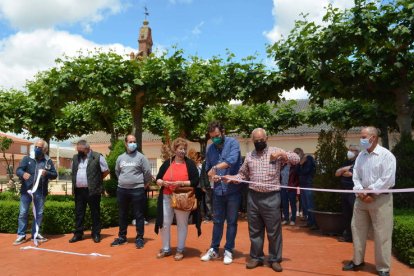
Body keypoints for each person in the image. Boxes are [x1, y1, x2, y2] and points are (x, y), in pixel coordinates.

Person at [224, 128, 299, 272]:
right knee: (255, 230)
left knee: (274, 231)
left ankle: (275, 259)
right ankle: (256, 257)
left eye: (261, 140)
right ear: (252, 141)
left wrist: (282, 154)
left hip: (271, 197)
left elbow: (296, 159)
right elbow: (242, 175)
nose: (259, 142)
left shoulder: (275, 152)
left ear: (266, 139)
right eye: (256, 140)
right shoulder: (250, 156)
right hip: (253, 197)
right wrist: (231, 178)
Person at [343, 127, 396, 276]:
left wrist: (370, 191)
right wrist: (361, 191)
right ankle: (357, 261)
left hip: (381, 199)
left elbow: (388, 179)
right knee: (357, 229)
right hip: (361, 199)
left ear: (373, 138)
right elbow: (356, 176)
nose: (362, 140)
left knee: (382, 234)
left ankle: (383, 267)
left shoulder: (387, 156)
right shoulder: (361, 156)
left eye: (364, 137)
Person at [200, 121, 242, 265]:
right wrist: (212, 175)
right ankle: (214, 249)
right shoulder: (210, 149)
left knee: (231, 222)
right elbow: (208, 167)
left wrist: (216, 168)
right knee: (217, 221)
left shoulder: (233, 143)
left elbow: (232, 160)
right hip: (218, 190)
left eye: (217, 136)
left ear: (223, 131)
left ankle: (229, 250)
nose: (215, 139)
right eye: (212, 137)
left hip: (233, 191)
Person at [154, 138, 201, 261]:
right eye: (180, 149)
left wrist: (182, 183)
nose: (183, 151)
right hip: (166, 195)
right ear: (175, 149)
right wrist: (162, 182)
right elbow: (158, 179)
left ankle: (180, 250)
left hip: (182, 197)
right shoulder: (167, 163)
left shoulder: (189, 164)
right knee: (165, 223)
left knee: (182, 224)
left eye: (184, 149)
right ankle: (166, 249)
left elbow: (196, 181)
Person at [111, 134, 152, 249]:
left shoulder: (141, 157)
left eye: (134, 141)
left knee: (139, 215)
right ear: (125, 143)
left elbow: (147, 172)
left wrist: (145, 185)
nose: (132, 143)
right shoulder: (120, 158)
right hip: (122, 190)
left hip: (137, 190)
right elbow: (117, 171)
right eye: (130, 141)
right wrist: (124, 181)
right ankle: (122, 237)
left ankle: (139, 238)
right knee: (122, 214)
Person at [13, 139, 57, 245]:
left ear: (45, 149)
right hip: (26, 191)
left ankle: (35, 234)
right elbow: (18, 170)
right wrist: (23, 174)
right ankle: (21, 235)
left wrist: (47, 173)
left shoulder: (48, 161)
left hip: (40, 192)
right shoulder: (27, 158)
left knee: (39, 214)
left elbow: (54, 174)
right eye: (35, 146)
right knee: (23, 213)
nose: (36, 148)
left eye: (39, 147)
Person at [69, 140, 109, 243]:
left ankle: (96, 233)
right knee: (79, 213)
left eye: (81, 150)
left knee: (95, 212)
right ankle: (78, 234)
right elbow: (73, 171)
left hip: (93, 190)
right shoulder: (75, 158)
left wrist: (97, 180)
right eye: (78, 150)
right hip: (79, 190)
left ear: (87, 148)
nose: (79, 152)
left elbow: (106, 171)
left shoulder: (97, 156)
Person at [335, 144, 359, 242]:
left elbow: (351, 174)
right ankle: (348, 235)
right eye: (349, 150)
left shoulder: (358, 162)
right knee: (346, 214)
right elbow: (337, 173)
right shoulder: (346, 162)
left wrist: (344, 171)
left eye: (352, 150)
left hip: (354, 192)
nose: (349, 152)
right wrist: (345, 169)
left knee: (355, 214)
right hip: (344, 191)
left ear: (357, 152)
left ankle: (356, 237)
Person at [294, 147, 317, 229]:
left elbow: (306, 171)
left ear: (301, 152)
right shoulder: (299, 162)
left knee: (310, 204)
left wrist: (301, 165)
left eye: (297, 153)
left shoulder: (309, 158)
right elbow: (297, 172)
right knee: (305, 205)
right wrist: (300, 164)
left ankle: (314, 223)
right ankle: (309, 222)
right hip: (302, 185)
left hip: (309, 185)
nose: (296, 155)